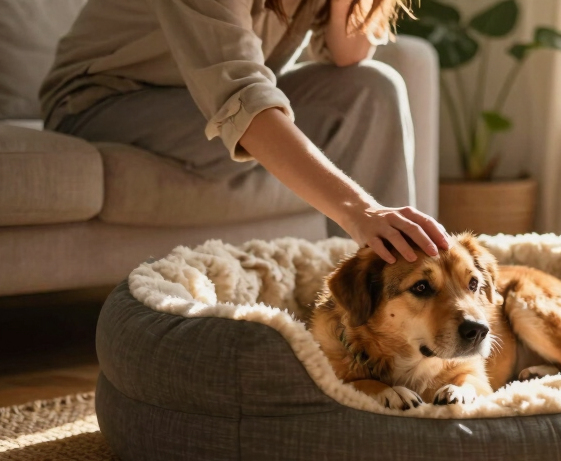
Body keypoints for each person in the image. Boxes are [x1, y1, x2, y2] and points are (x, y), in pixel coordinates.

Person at [40, 0, 449, 264]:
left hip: (202, 101)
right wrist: (362, 211)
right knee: (265, 109)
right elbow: (240, 98)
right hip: (105, 101)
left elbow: (348, 55)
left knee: (374, 87)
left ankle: (393, 293)